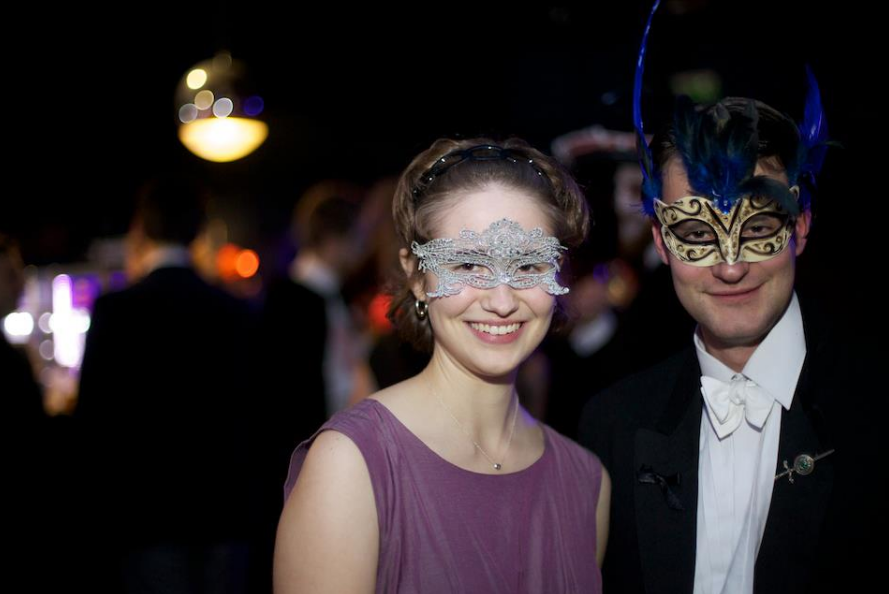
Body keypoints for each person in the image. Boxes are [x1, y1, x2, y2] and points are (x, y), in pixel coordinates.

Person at [579, 5, 883, 592]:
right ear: (662, 243)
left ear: (799, 227)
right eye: (697, 235)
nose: (731, 266)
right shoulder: (612, 426)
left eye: (758, 227)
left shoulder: (875, 409)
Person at [274, 138, 610, 593]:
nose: (502, 301)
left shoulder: (587, 482)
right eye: (468, 263)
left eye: (529, 264)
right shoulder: (351, 465)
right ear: (416, 276)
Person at [76, 173, 254, 593]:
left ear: (142, 228)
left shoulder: (116, 310)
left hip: (145, 511)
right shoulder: (232, 311)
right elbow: (251, 412)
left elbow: (94, 420)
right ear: (198, 230)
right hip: (221, 507)